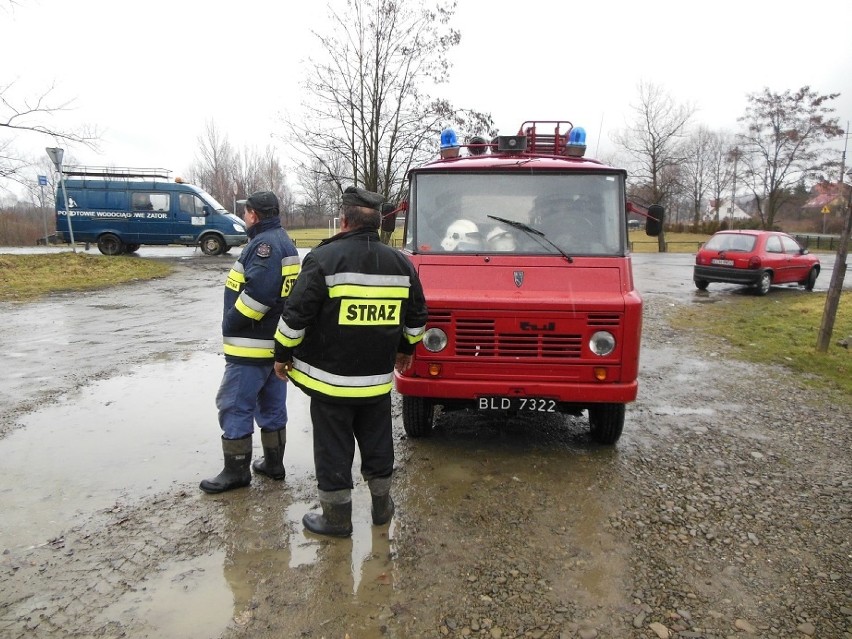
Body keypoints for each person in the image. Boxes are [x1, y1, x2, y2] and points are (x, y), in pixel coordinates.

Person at [273, 186, 428, 537]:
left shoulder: (323, 259)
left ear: (344, 221)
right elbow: (418, 316)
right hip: (375, 382)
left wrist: (281, 355)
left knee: (333, 448)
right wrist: (406, 348)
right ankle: (382, 507)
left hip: (330, 383)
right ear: (378, 225)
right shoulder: (401, 263)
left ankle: (337, 519)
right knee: (378, 443)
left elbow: (296, 316)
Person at [200, 191, 301, 494]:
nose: (244, 217)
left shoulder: (265, 245)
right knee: (271, 406)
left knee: (234, 405)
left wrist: (231, 321)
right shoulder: (284, 240)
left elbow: (260, 295)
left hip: (251, 345)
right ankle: (273, 464)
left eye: (246, 213)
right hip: (273, 345)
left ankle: (236, 472)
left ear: (254, 215)